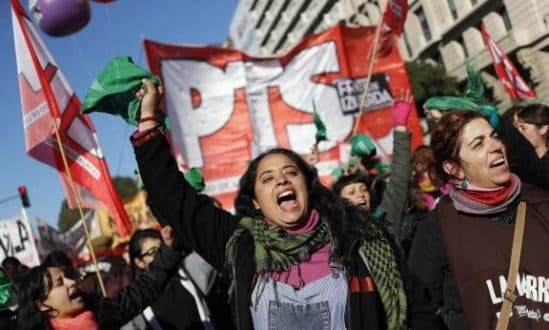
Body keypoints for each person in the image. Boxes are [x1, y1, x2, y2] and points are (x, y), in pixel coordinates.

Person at [130, 78, 438, 330]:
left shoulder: (359, 238)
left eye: (291, 172)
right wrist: (148, 119)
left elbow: (419, 310)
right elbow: (175, 199)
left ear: (307, 185)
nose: (281, 181)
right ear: (257, 203)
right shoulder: (239, 245)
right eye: (267, 178)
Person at [408, 110, 549, 329]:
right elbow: (420, 311)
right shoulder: (438, 228)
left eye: (494, 136)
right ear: (453, 168)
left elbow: (537, 168)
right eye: (478, 144)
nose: (495, 146)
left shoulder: (537, 201)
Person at [16, 226, 181, 330]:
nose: (72, 282)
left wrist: (166, 252)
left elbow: (143, 289)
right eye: (60, 283)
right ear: (42, 304)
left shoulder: (104, 313)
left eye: (66, 277)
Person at [333, 89, 413, 238]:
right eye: (351, 192)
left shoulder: (387, 218)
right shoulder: (336, 235)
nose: (361, 195)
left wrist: (400, 127)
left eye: (363, 189)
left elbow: (399, 177)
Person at [123, 228, 216, 330]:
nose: (160, 255)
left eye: (162, 249)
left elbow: (211, 245)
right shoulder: (136, 300)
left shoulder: (187, 271)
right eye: (153, 252)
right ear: (139, 262)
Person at [496, 103, 549, 190]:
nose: (518, 133)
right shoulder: (520, 170)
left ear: (543, 129)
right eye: (516, 129)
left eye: (523, 128)